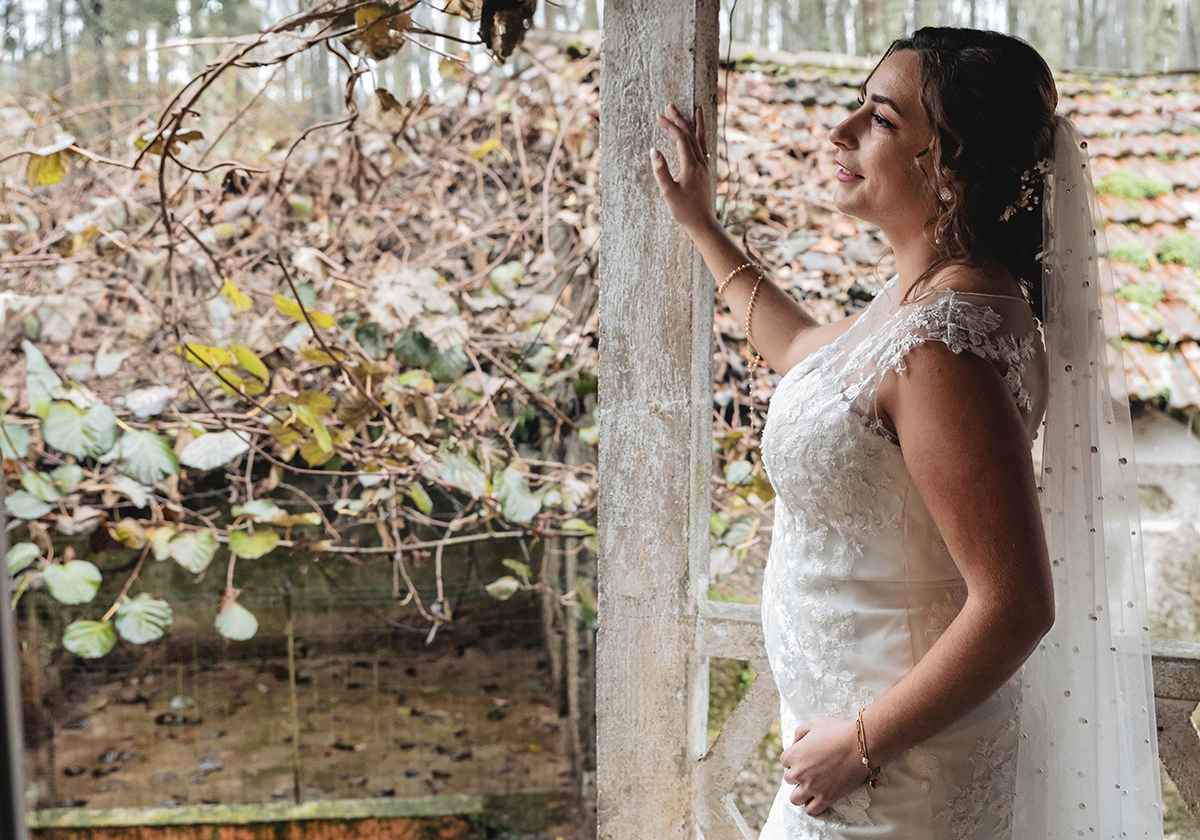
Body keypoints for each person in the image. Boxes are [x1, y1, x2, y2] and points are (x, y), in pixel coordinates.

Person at [650, 27, 1163, 840]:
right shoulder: (923, 305)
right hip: (856, 755)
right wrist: (705, 229)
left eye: (881, 119)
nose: (841, 132)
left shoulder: (943, 345)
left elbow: (1018, 604)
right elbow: (799, 352)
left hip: (894, 775)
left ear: (951, 166)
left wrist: (859, 745)